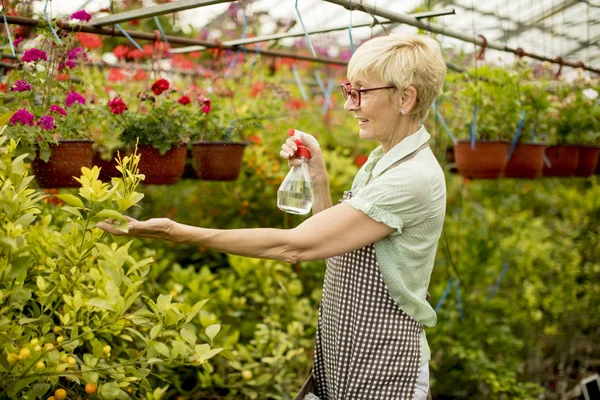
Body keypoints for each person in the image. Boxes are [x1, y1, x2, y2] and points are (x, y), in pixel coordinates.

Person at [98, 32, 447, 400]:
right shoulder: (383, 161)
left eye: (360, 92)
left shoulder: (412, 178)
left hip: (383, 370)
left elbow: (293, 246)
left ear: (405, 98)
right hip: (347, 358)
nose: (349, 105)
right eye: (349, 90)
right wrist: (318, 175)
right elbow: (335, 248)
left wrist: (176, 231)